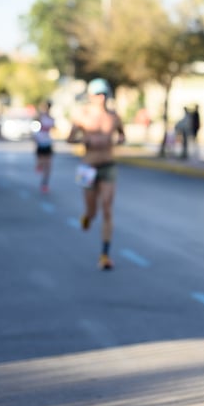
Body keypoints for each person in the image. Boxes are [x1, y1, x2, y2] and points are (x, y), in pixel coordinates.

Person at [67, 78, 126, 270]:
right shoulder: (82, 116)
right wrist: (84, 142)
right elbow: (69, 138)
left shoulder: (114, 117)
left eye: (103, 94)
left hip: (108, 165)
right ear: (90, 97)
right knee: (92, 212)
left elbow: (123, 136)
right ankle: (87, 216)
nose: (100, 98)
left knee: (107, 208)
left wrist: (118, 142)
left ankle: (105, 255)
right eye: (96, 94)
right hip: (87, 167)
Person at [34, 100, 56, 193]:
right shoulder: (40, 117)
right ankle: (39, 165)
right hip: (40, 143)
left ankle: (45, 183)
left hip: (48, 143)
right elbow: (35, 127)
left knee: (49, 165)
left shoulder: (52, 119)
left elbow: (53, 130)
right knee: (41, 162)